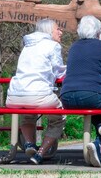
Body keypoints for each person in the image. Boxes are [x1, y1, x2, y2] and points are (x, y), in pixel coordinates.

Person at [60, 15, 101, 167]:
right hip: (92, 94)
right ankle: (99, 145)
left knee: (97, 112)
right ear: (98, 33)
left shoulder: (74, 47)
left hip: (67, 97)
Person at [6, 19, 67, 165]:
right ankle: (40, 153)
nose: (61, 32)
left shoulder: (27, 46)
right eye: (58, 29)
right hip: (39, 95)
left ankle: (29, 144)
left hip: (14, 96)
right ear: (48, 32)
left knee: (28, 115)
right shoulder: (53, 46)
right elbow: (59, 73)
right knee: (59, 117)